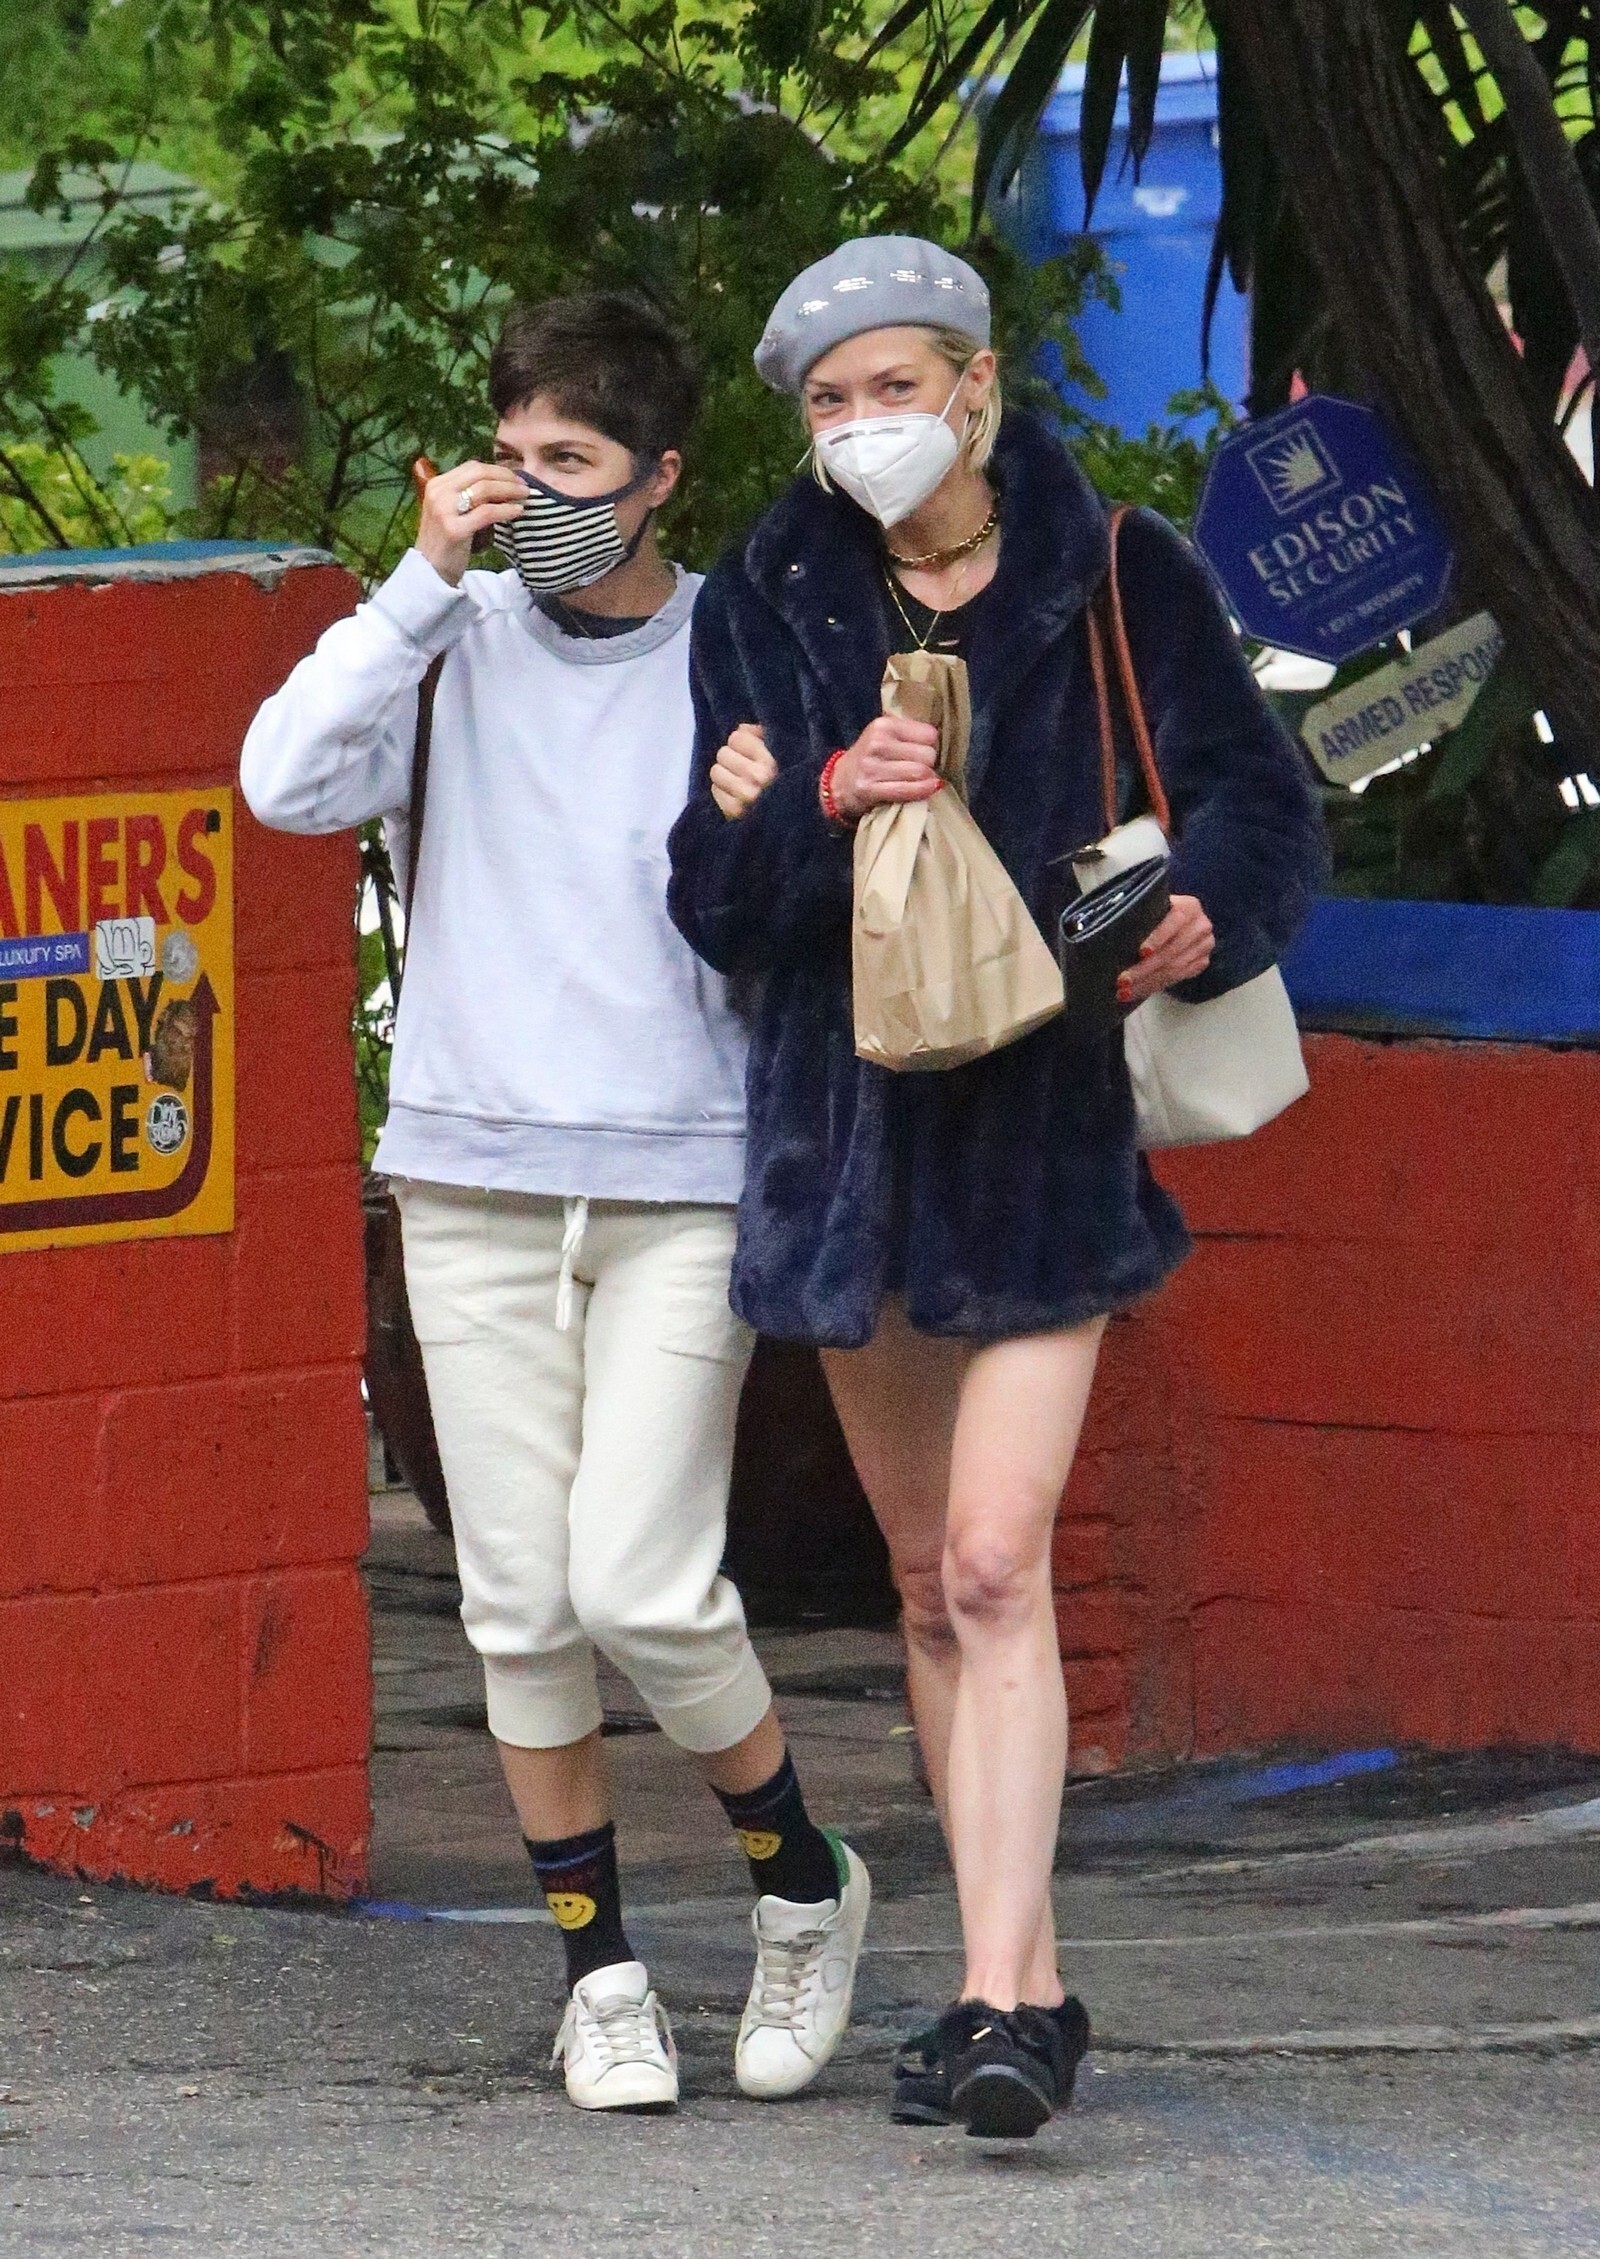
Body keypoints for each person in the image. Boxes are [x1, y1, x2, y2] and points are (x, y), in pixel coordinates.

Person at [667, 238, 1327, 2139]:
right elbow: (711, 894)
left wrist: (1206, 913)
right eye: (827, 402)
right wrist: (822, 799)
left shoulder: (1117, 566)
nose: (861, 427)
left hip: (1045, 1140)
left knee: (989, 1560)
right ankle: (1019, 1992)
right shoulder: (771, 593)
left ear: (977, 387)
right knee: (923, 1587)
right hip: (848, 1146)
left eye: (894, 388)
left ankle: (986, 1999)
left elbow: (1260, 806)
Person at [240, 291, 870, 2115]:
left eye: (572, 464)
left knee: (644, 1585)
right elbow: (281, 783)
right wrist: (420, 586)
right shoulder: (449, 643)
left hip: (681, 1175)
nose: (530, 495)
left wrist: (773, 812)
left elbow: (803, 891)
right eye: (509, 458)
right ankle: (601, 1978)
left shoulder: (738, 645)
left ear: (660, 477)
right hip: (471, 1174)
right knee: (518, 1608)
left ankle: (801, 1879)